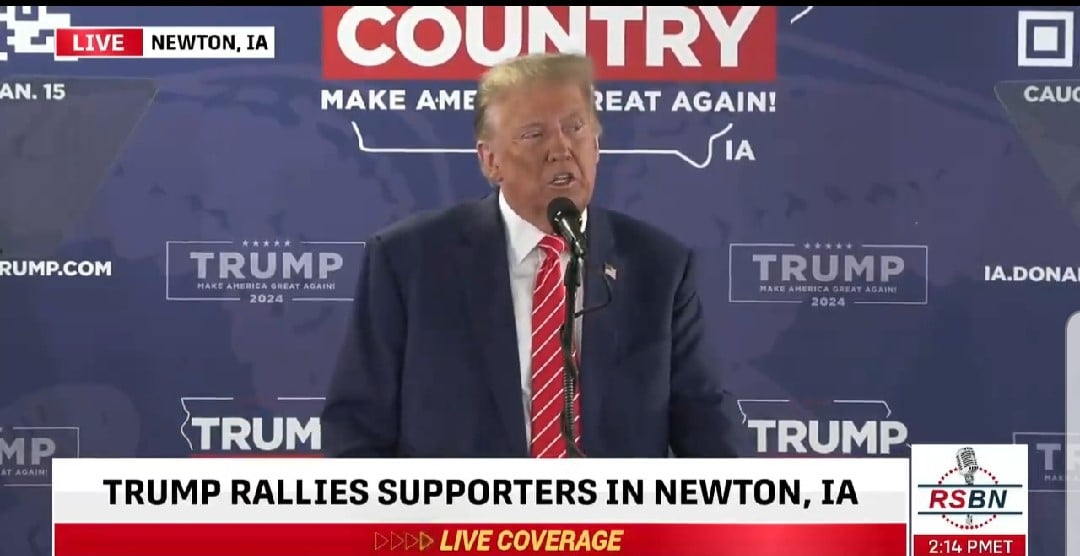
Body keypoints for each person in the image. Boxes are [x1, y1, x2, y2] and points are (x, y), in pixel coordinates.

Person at [321, 52, 736, 458]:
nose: (561, 149)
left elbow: (707, 429)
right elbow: (356, 431)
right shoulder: (408, 262)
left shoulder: (659, 267)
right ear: (490, 161)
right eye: (534, 134)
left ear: (596, 145)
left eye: (575, 128)